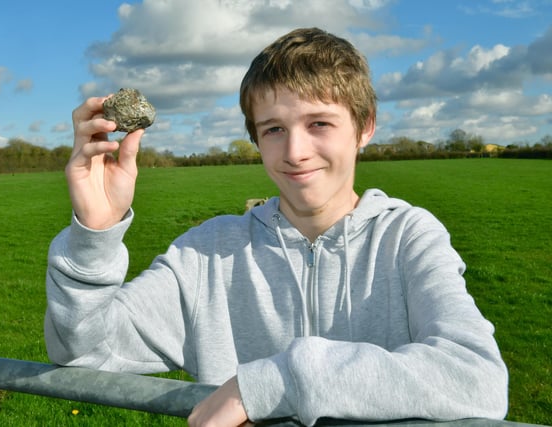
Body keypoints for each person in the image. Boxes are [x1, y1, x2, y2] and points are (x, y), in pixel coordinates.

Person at [45, 27, 508, 426]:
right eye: (273, 129)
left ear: (364, 127)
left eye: (320, 123)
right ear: (256, 138)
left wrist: (269, 381)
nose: (295, 152)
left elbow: (477, 377)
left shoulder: (407, 237)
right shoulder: (207, 253)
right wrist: (94, 233)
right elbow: (84, 353)